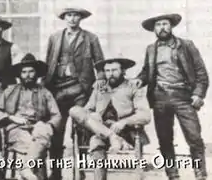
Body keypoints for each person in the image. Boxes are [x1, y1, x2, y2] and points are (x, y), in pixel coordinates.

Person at [132, 13, 209, 180]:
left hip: (183, 97)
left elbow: (201, 73)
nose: (162, 28)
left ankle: (200, 174)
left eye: (165, 24)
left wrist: (198, 94)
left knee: (194, 137)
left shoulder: (186, 45)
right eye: (158, 25)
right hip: (160, 98)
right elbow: (147, 71)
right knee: (165, 139)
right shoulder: (151, 49)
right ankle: (172, 175)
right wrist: (139, 80)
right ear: (154, 29)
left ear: (171, 26)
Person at [64, 57, 151, 180]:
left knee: (96, 139)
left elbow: (145, 115)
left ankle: (114, 137)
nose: (111, 74)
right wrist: (95, 117)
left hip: (125, 132)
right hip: (102, 129)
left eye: (114, 70)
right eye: (107, 71)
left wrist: (124, 122)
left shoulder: (133, 87)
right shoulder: (99, 88)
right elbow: (88, 109)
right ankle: (111, 136)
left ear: (123, 71)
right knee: (74, 111)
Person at [44, 7, 105, 180]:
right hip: (58, 89)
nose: (72, 19)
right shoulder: (55, 37)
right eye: (68, 15)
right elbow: (48, 63)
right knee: (57, 129)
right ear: (64, 18)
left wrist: (100, 82)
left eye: (75, 15)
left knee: (82, 130)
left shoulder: (90, 38)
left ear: (80, 18)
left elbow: (100, 63)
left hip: (81, 88)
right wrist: (45, 84)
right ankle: (55, 172)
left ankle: (81, 171)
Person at [0, 53, 62, 180]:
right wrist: (12, 118)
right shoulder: (10, 91)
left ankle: (26, 169)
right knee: (35, 145)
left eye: (31, 71)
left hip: (37, 128)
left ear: (36, 73)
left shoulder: (44, 92)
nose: (28, 75)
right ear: (19, 75)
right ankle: (30, 171)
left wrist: (48, 126)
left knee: (42, 132)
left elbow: (56, 115)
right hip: (16, 128)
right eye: (24, 72)